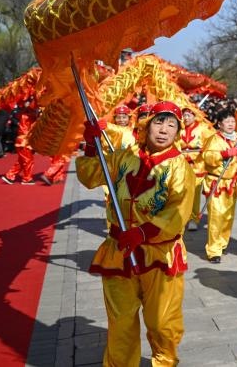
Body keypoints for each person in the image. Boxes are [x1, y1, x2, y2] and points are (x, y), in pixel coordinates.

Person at [76, 101, 196, 367]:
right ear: (145, 125)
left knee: (162, 322)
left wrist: (142, 233)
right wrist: (90, 145)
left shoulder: (180, 167)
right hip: (119, 251)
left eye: (171, 125)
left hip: (160, 255)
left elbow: (178, 212)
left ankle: (164, 362)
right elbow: (90, 176)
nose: (164, 130)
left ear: (178, 131)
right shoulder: (124, 157)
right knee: (120, 323)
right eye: (158, 122)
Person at [201, 109, 237, 263]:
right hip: (217, 181)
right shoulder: (213, 139)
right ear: (220, 124)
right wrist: (224, 154)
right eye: (227, 121)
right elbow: (207, 156)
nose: (230, 124)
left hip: (233, 182)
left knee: (228, 216)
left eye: (232, 121)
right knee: (216, 216)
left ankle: (222, 243)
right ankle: (213, 250)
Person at [180, 106, 214, 231]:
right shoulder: (179, 129)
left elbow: (212, 142)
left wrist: (204, 151)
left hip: (198, 168)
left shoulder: (203, 129)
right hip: (182, 167)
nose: (186, 118)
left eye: (189, 115)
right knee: (181, 194)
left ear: (195, 116)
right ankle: (182, 217)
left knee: (194, 195)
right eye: (184, 115)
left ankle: (194, 218)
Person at [2, 99, 38, 185]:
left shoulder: (26, 113)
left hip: (25, 140)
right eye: (27, 101)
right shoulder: (25, 115)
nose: (29, 103)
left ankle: (9, 176)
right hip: (23, 141)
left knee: (22, 161)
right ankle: (27, 178)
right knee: (28, 160)